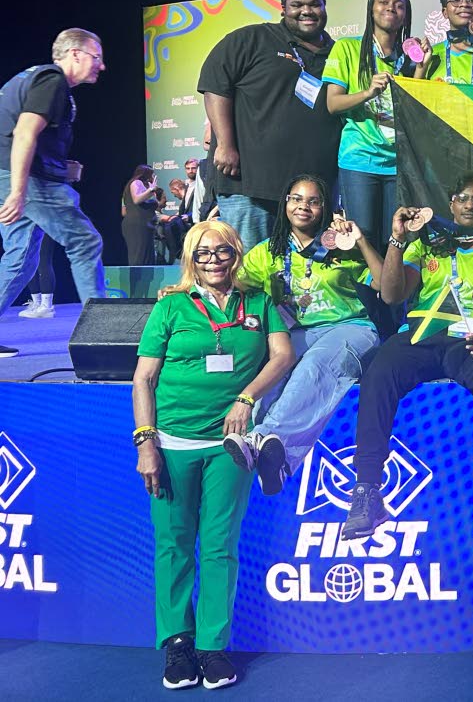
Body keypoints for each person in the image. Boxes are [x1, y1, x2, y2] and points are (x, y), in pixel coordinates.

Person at [132, 220, 294, 690]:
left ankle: (212, 646)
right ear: (190, 258)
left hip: (230, 447)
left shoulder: (259, 303)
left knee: (220, 547)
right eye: (202, 253)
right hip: (173, 443)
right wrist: (146, 442)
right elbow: (143, 379)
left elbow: (281, 357)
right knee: (174, 545)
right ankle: (178, 645)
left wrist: (245, 397)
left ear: (235, 253)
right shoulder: (171, 307)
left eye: (221, 251)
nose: (213, 260)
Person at [343, 172, 473, 542]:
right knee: (379, 369)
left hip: (471, 337)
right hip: (421, 336)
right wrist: (397, 240)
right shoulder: (427, 245)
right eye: (462, 197)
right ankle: (367, 489)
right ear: (451, 204)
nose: (470, 204)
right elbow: (390, 295)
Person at [226, 175, 382, 493]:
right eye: (296, 199)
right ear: (285, 203)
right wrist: (183, 288)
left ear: (324, 208)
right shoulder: (267, 252)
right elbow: (229, 284)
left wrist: (362, 242)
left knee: (314, 366)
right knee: (274, 367)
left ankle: (260, 437)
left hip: (351, 328)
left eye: (313, 201)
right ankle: (277, 464)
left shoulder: (342, 246)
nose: (303, 206)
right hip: (300, 331)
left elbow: (385, 287)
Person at [199, 0, 339, 249]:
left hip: (309, 198)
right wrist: (225, 145)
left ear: (324, 6)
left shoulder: (337, 53)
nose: (306, 11)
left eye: (314, 4)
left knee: (303, 280)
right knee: (251, 275)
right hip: (250, 188)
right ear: (283, 9)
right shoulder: (253, 38)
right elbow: (215, 84)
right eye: (297, 5)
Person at [0, 28, 106, 357]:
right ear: (74, 54)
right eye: (96, 57)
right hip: (24, 178)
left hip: (14, 173)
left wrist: (62, 168)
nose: (101, 66)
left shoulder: (35, 77)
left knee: (19, 259)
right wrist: (18, 191)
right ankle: (102, 335)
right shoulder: (53, 80)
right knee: (85, 241)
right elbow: (24, 133)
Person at [323, 0, 418, 251]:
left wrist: (420, 68)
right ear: (371, 9)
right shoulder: (347, 48)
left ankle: (392, 294)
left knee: (396, 241)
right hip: (360, 159)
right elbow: (332, 104)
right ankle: (363, 293)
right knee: (361, 240)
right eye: (383, 1)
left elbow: (414, 112)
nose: (391, 7)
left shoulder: (409, 58)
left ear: (405, 14)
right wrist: (368, 92)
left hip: (398, 162)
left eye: (399, 4)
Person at [18, 235, 57, 319]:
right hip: (29, 225)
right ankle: (37, 304)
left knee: (43, 259)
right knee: (30, 262)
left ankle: (46, 306)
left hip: (43, 224)